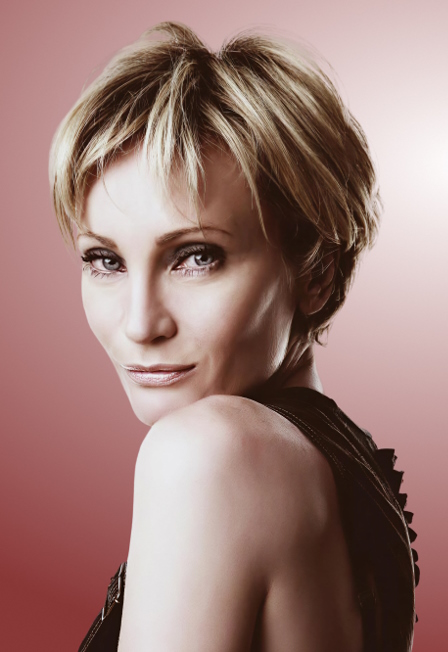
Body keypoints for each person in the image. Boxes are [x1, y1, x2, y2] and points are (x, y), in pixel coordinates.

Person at [49, 21, 418, 652]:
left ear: (317, 273)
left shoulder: (209, 453)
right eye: (105, 260)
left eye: (196, 257)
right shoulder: (342, 471)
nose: (140, 324)